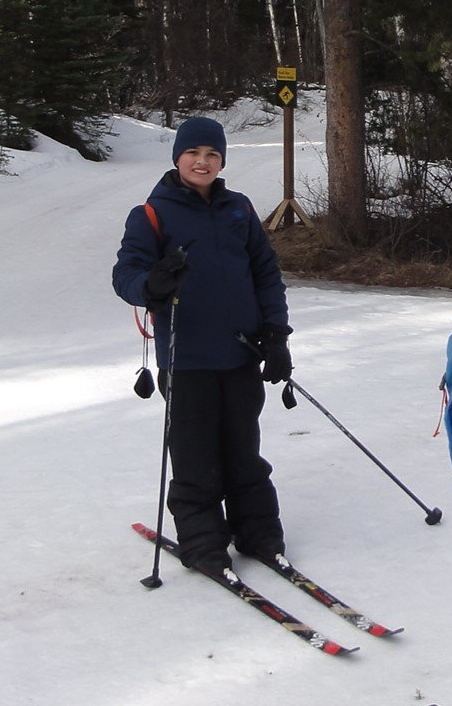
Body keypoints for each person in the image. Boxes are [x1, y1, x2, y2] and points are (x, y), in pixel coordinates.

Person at [113, 116, 292, 574]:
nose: (203, 161)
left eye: (212, 154)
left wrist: (275, 334)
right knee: (196, 457)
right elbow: (126, 275)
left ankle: (258, 534)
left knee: (243, 451)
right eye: (194, 153)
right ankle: (204, 543)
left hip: (241, 353)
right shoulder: (151, 214)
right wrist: (150, 283)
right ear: (178, 157)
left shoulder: (239, 209)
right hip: (187, 358)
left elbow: (265, 274)